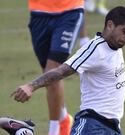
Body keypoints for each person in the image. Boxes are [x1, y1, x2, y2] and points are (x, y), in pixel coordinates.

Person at [11, 4, 125, 135]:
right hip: (92, 124)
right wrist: (31, 86)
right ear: (110, 25)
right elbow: (60, 71)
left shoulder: (115, 44)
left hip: (113, 128)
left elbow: (121, 24)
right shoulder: (95, 50)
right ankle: (23, 132)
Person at [27, 0, 89, 135]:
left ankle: (55, 130)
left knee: (52, 71)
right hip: (39, 11)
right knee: (47, 75)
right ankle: (63, 117)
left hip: (69, 11)